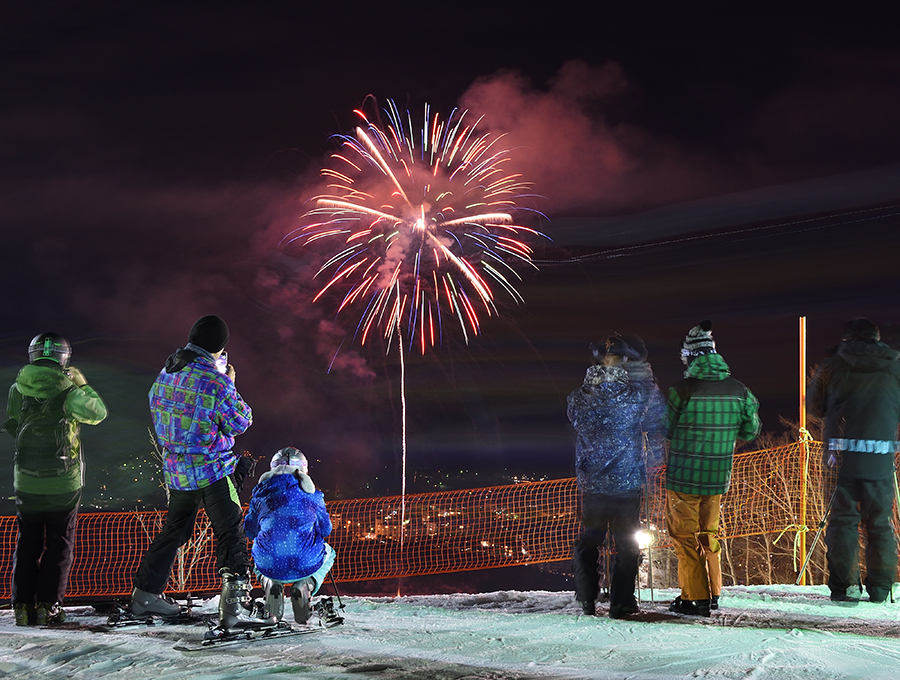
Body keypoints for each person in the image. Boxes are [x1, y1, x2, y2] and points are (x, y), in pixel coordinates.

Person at [131, 315, 258, 630]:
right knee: (230, 531)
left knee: (174, 531)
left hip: (177, 472)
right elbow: (240, 422)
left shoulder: (165, 374)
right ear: (220, 348)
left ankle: (145, 595)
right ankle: (232, 606)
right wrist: (228, 382)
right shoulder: (214, 381)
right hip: (212, 471)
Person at [3, 332, 108, 626]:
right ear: (64, 359)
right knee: (60, 544)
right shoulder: (71, 392)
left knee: (28, 542)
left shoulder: (18, 388)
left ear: (33, 355)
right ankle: (49, 606)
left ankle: (22, 607)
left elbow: (14, 418)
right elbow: (98, 413)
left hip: (26, 480)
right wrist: (82, 384)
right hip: (65, 482)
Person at [665, 320, 760, 617]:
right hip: (718, 478)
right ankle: (714, 592)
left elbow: (667, 429)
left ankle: (695, 598)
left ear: (691, 357)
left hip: (683, 477)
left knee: (685, 537)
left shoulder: (681, 391)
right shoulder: (740, 391)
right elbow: (751, 430)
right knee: (710, 534)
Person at [567, 335, 666, 618]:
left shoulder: (577, 398)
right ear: (626, 361)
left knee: (589, 541)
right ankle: (621, 602)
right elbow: (658, 419)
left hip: (592, 483)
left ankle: (586, 598)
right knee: (627, 545)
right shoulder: (637, 396)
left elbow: (575, 418)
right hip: (628, 484)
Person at [809, 317, 900, 603]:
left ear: (848, 338)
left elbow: (815, 407)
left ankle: (845, 586)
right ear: (876, 338)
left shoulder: (833, 364)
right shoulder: (895, 365)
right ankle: (881, 589)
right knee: (880, 522)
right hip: (881, 455)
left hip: (841, 454)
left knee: (842, 522)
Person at [244, 447, 339, 625]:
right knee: (330, 552)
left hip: (270, 563)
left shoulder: (259, 495)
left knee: (259, 553)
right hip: (305, 562)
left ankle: (270, 585)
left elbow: (249, 531)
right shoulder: (314, 496)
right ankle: (306, 585)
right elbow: (326, 530)